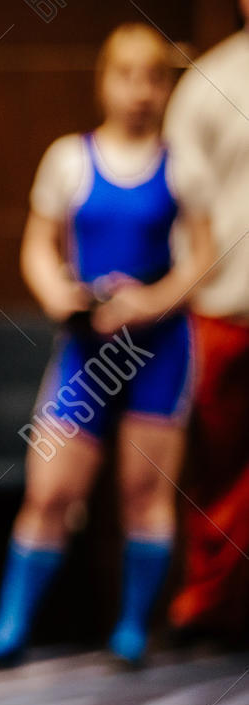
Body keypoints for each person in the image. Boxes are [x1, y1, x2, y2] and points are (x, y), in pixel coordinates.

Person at [0, 24, 215, 666]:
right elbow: (38, 245)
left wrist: (152, 302)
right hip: (87, 351)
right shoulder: (69, 158)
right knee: (49, 493)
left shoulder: (183, 164)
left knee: (145, 495)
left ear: (166, 88)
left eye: (154, 78)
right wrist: (57, 293)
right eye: (127, 75)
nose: (140, 91)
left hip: (159, 351)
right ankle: (11, 628)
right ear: (104, 81)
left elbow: (202, 257)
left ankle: (133, 631)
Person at [165, 2, 249, 640]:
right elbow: (181, 201)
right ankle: (213, 609)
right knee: (219, 468)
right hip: (224, 309)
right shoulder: (208, 82)